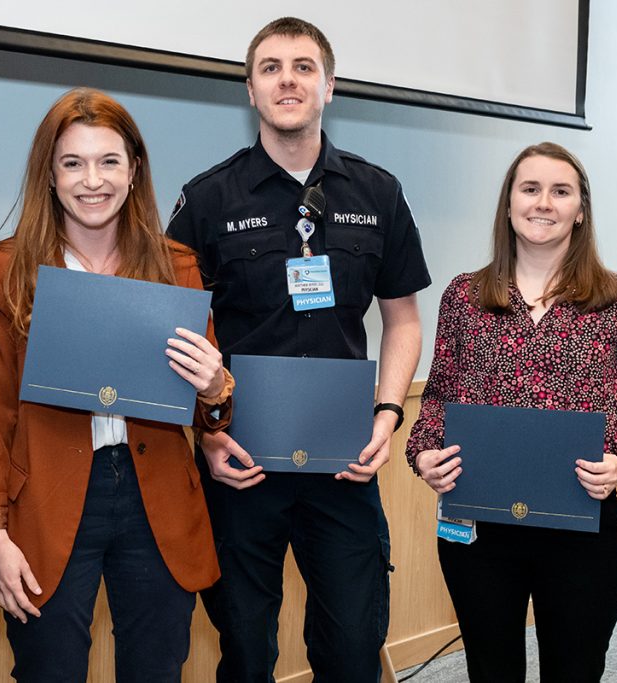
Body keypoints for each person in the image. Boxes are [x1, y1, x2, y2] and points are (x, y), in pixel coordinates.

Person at [166, 17, 431, 682]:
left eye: (304, 66)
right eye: (271, 67)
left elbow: (402, 319)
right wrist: (206, 435)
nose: (288, 79)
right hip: (240, 460)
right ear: (251, 91)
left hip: (345, 462)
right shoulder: (206, 199)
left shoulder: (378, 192)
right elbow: (175, 334)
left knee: (351, 646)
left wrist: (388, 416)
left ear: (329, 86)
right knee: (247, 652)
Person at [0, 87, 234, 682]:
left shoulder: (178, 267)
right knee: (48, 671)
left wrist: (216, 388)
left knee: (157, 669)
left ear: (134, 171)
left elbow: (210, 415)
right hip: (44, 499)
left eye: (109, 161)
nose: (93, 180)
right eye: (73, 163)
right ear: (50, 175)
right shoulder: (4, 271)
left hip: (156, 498)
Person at [406, 142, 617, 682]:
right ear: (508, 205)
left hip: (583, 527)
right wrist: (424, 452)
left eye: (560, 191)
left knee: (574, 671)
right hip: (477, 529)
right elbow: (438, 397)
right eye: (529, 189)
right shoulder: (464, 296)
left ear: (581, 208)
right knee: (491, 670)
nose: (543, 203)